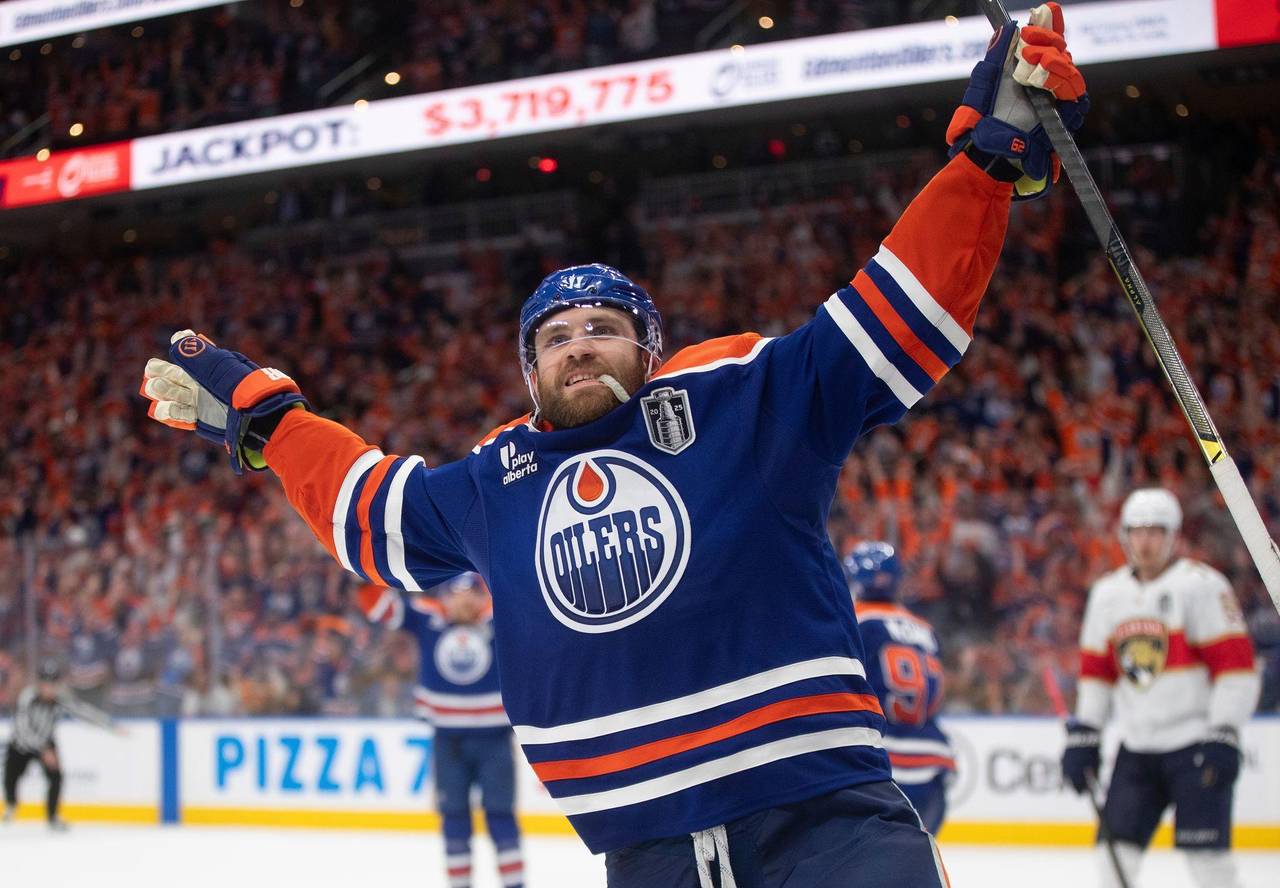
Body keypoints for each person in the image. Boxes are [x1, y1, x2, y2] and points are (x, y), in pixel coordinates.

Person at [139, 6, 1087, 885]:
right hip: (647, 858)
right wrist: (271, 426)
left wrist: (985, 166)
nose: (579, 345)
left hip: (828, 829)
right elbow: (369, 513)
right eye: (554, 338)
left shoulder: (735, 400)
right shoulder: (495, 480)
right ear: (531, 372)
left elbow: (892, 317)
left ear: (649, 349)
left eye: (603, 326)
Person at [1062, 488, 1260, 888]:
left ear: (1173, 536)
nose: (1145, 542)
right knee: (1113, 858)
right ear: (1124, 536)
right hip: (1137, 748)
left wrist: (1225, 730)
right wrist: (1087, 732)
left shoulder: (1203, 586)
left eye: (1155, 531)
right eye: (1137, 532)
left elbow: (1236, 669)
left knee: (1209, 863)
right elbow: (1097, 675)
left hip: (1195, 744)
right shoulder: (1107, 594)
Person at [358, 574, 523, 888]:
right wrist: (360, 577)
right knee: (454, 818)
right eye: (456, 595)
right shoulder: (428, 618)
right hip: (448, 742)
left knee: (501, 816)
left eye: (471, 594)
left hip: (495, 741)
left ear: (482, 598)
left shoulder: (500, 617)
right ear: (444, 598)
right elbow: (380, 608)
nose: (464, 601)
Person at [845, 542, 953, 835]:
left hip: (880, 764)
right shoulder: (925, 629)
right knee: (919, 859)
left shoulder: (852, 621)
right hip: (932, 762)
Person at [3, 660, 118, 831]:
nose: (49, 688)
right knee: (11, 776)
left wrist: (110, 724)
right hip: (21, 743)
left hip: (46, 741)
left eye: (52, 684)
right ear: (39, 683)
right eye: (45, 683)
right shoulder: (28, 697)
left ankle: (53, 817)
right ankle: (11, 804)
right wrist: (43, 750)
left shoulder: (59, 698)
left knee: (56, 777)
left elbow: (82, 711)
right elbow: (22, 727)